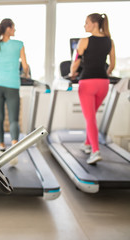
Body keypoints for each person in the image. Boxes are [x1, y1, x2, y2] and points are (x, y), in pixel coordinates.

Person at [0, 18, 30, 166]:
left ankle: (2, 147)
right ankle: (14, 148)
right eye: (14, 28)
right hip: (13, 85)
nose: (15, 30)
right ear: (8, 28)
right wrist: (26, 75)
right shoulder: (19, 44)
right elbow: (25, 66)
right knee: (14, 119)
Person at [69, 13, 115, 165]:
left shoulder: (84, 41)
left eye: (86, 22)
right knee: (91, 117)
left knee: (90, 118)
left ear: (94, 24)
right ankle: (87, 144)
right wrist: (104, 74)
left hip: (87, 82)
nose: (85, 25)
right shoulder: (110, 41)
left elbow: (76, 62)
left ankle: (95, 151)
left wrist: (71, 72)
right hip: (103, 83)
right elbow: (112, 65)